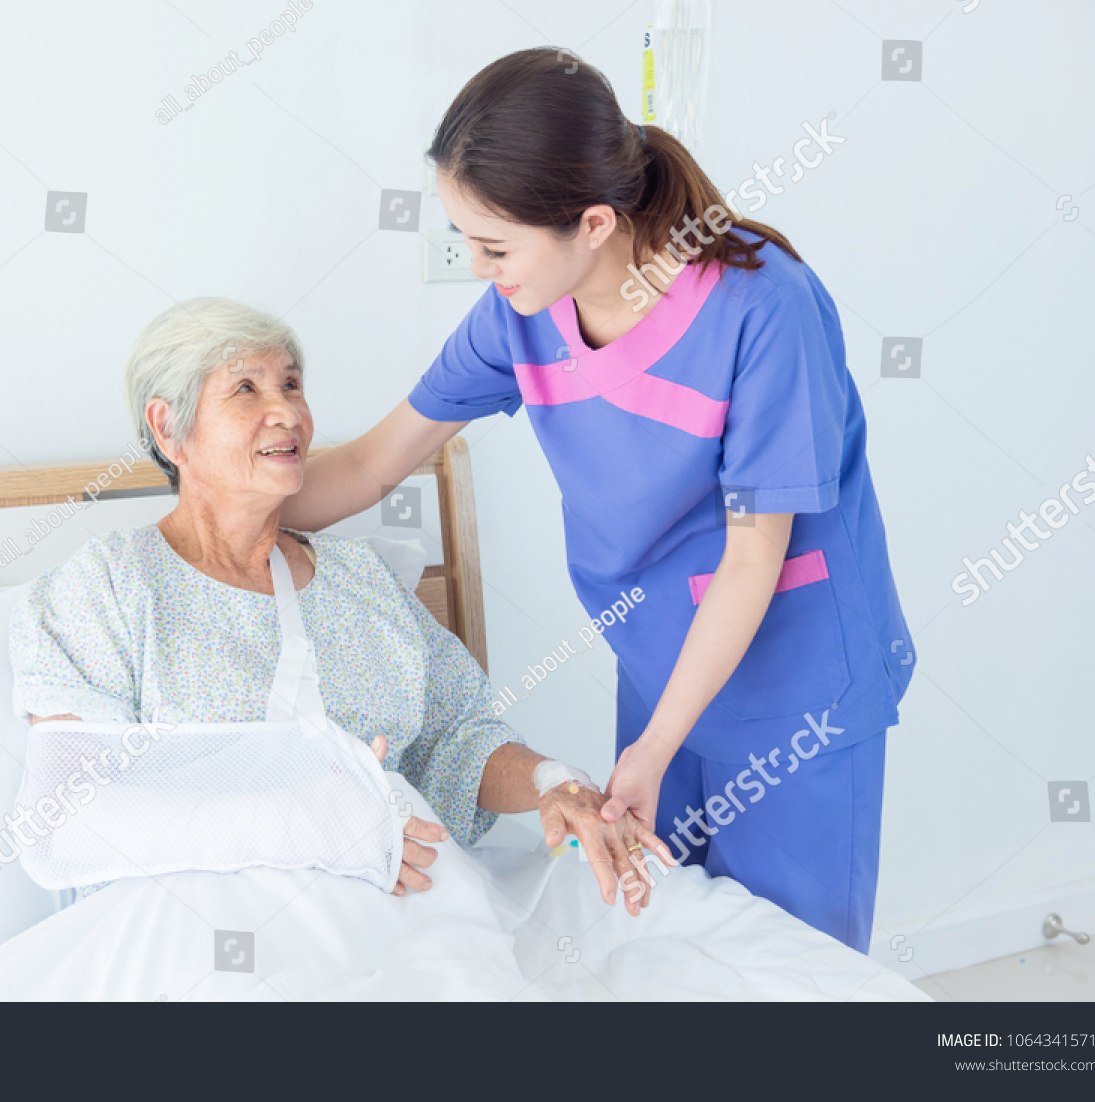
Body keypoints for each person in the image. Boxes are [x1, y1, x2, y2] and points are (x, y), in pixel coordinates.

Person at [282, 49, 915, 952]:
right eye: (464, 238)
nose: (474, 266)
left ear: (591, 222)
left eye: (493, 245)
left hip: (795, 681)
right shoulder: (521, 312)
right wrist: (230, 502)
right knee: (671, 949)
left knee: (792, 967)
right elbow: (377, 463)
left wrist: (652, 749)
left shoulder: (763, 308)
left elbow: (752, 558)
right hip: (662, 664)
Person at [9, 296, 676, 913]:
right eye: (247, 388)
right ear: (168, 428)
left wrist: (550, 782)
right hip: (200, 933)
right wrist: (310, 827)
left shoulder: (359, 581)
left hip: (402, 914)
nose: (289, 413)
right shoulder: (107, 587)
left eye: (292, 384)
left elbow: (462, 739)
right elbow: (63, 821)